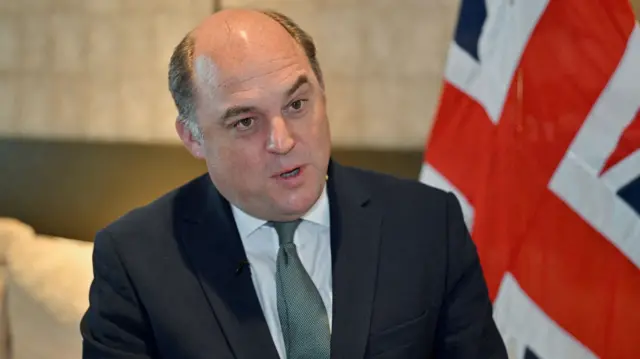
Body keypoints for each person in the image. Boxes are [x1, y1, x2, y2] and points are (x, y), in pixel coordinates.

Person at [80, 8, 508, 359]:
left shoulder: (427, 225)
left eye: (297, 104)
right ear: (193, 137)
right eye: (246, 121)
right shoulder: (135, 260)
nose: (282, 141)